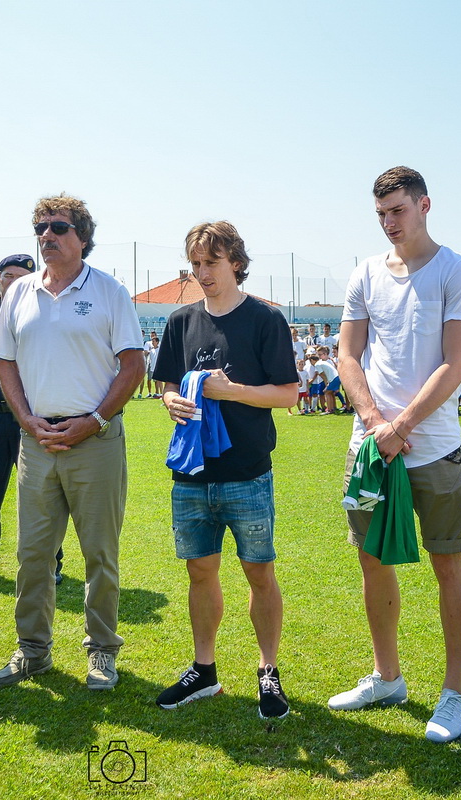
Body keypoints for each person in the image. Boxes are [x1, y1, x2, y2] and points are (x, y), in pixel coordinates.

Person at [332, 167, 461, 743]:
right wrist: (375, 422)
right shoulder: (365, 273)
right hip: (370, 446)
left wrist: (404, 424)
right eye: (381, 215)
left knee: (447, 562)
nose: (389, 223)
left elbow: (456, 362)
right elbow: (348, 354)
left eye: (398, 211)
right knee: (373, 558)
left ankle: (453, 694)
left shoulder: (456, 271)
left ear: (424, 205)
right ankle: (387, 676)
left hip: (433, 447)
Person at [0, 193, 144, 691]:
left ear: (82, 237)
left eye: (57, 227)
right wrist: (28, 420)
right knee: (32, 555)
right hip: (36, 442)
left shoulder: (110, 291)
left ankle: (101, 653)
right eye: (40, 227)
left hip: (94, 439)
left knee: (99, 554)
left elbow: (134, 366)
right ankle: (33, 652)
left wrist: (94, 419)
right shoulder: (20, 292)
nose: (46, 236)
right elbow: (4, 363)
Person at [152, 221, 299, 719]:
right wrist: (172, 399)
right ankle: (204, 670)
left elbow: (288, 394)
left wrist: (229, 391)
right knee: (200, 572)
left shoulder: (265, 320)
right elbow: (165, 383)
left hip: (247, 472)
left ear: (235, 260)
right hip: (191, 474)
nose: (202, 274)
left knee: (259, 573)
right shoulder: (180, 321)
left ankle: (268, 670)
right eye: (195, 265)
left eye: (211, 263)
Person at [0, 254, 63, 586]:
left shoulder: (42, 310)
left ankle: (51, 563)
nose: (12, 282)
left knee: (42, 494)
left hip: (34, 421)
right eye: (6, 276)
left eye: (20, 276)